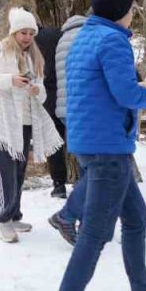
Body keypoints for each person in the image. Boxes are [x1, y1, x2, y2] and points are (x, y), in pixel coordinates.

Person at [54, 0, 146, 291]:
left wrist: (137, 87)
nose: (133, 14)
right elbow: (126, 96)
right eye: (132, 9)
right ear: (121, 12)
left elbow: (102, 89)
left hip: (90, 142)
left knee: (136, 219)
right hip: (109, 148)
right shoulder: (113, 41)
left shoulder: (84, 38)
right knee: (94, 235)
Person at [0, 8, 63, 243]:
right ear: (13, 32)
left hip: (24, 122)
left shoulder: (33, 57)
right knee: (6, 173)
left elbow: (43, 92)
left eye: (30, 33)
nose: (26, 37)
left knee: (19, 172)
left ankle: (14, 214)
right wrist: (10, 80)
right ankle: (3, 219)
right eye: (22, 32)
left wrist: (37, 90)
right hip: (1, 122)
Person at [47, 13, 88, 231]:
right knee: (92, 168)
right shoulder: (86, 36)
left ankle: (61, 189)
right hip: (84, 109)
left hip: (65, 107)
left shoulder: (63, 38)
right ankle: (71, 216)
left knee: (88, 164)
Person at [35, 24, 68, 198]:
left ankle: (59, 184)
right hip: (67, 90)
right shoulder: (59, 33)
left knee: (53, 141)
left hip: (47, 94)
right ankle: (85, 178)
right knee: (74, 136)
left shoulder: (31, 42)